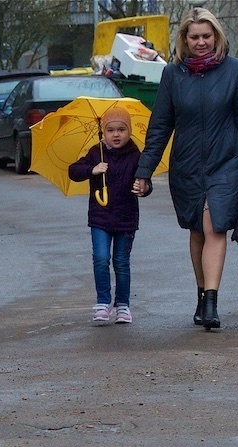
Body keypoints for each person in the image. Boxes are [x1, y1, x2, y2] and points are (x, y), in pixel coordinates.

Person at [132, 8, 238, 330]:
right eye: (194, 37)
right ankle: (201, 292)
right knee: (197, 230)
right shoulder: (173, 74)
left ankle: (211, 301)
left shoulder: (234, 70)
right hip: (187, 165)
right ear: (184, 39)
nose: (201, 42)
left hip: (227, 162)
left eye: (206, 36)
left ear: (217, 36)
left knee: (215, 226)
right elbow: (160, 126)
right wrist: (144, 171)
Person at [68, 105, 150, 325]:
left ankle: (123, 305)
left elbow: (146, 181)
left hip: (126, 218)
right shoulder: (96, 153)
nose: (116, 134)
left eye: (121, 129)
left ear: (129, 131)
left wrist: (143, 188)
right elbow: (73, 171)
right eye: (111, 130)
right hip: (100, 218)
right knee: (101, 258)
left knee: (122, 262)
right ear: (103, 132)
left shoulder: (136, 156)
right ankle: (103, 302)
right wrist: (91, 170)